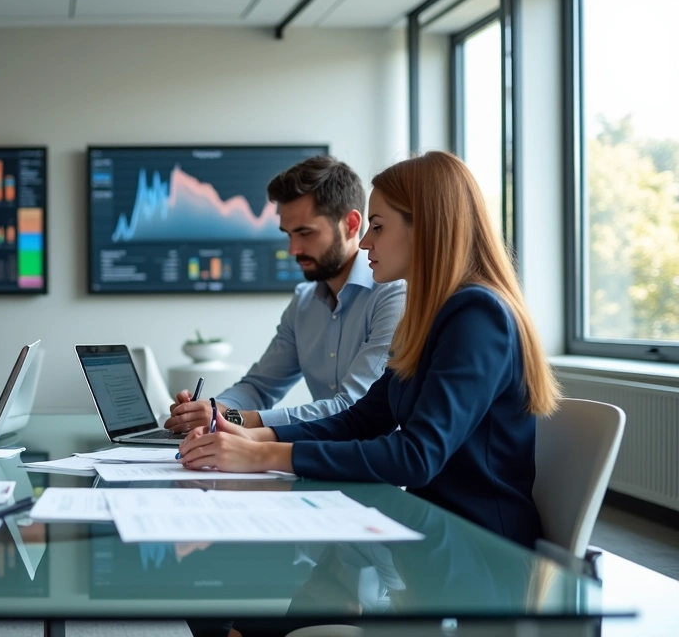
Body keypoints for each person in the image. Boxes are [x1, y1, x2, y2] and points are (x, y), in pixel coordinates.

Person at [176, 151, 561, 548]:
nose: (363, 243)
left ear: (426, 228)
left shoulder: (477, 316)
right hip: (431, 533)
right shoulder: (431, 315)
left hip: (481, 553)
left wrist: (263, 456)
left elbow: (416, 457)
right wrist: (257, 438)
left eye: (376, 227)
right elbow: (360, 420)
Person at [164, 155, 406, 433]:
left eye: (305, 233)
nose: (293, 249)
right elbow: (259, 387)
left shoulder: (393, 294)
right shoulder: (304, 303)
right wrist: (207, 410)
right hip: (319, 459)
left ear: (351, 224)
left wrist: (234, 419)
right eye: (288, 234)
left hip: (378, 467)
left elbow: (355, 406)